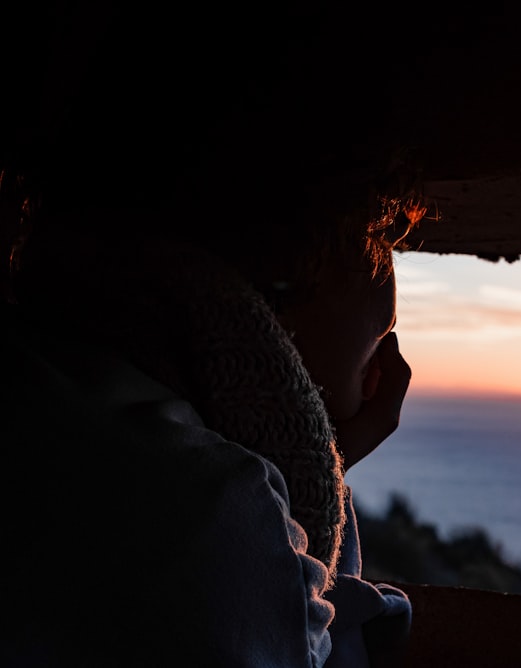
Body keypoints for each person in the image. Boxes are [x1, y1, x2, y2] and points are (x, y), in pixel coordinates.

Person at [0, 2, 426, 666]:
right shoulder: (213, 513)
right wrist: (314, 484)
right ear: (293, 269)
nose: (388, 368)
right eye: (382, 337)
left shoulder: (39, 388)